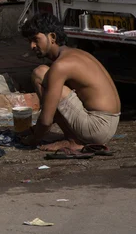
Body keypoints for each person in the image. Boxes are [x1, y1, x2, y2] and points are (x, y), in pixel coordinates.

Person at [19, 13, 121, 151]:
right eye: (29, 41)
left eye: (36, 40)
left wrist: (33, 138)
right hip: (108, 123)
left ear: (52, 37)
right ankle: (73, 136)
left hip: (97, 127)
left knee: (40, 74)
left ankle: (72, 140)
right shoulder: (76, 53)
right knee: (48, 78)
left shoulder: (61, 65)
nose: (32, 46)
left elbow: (46, 120)